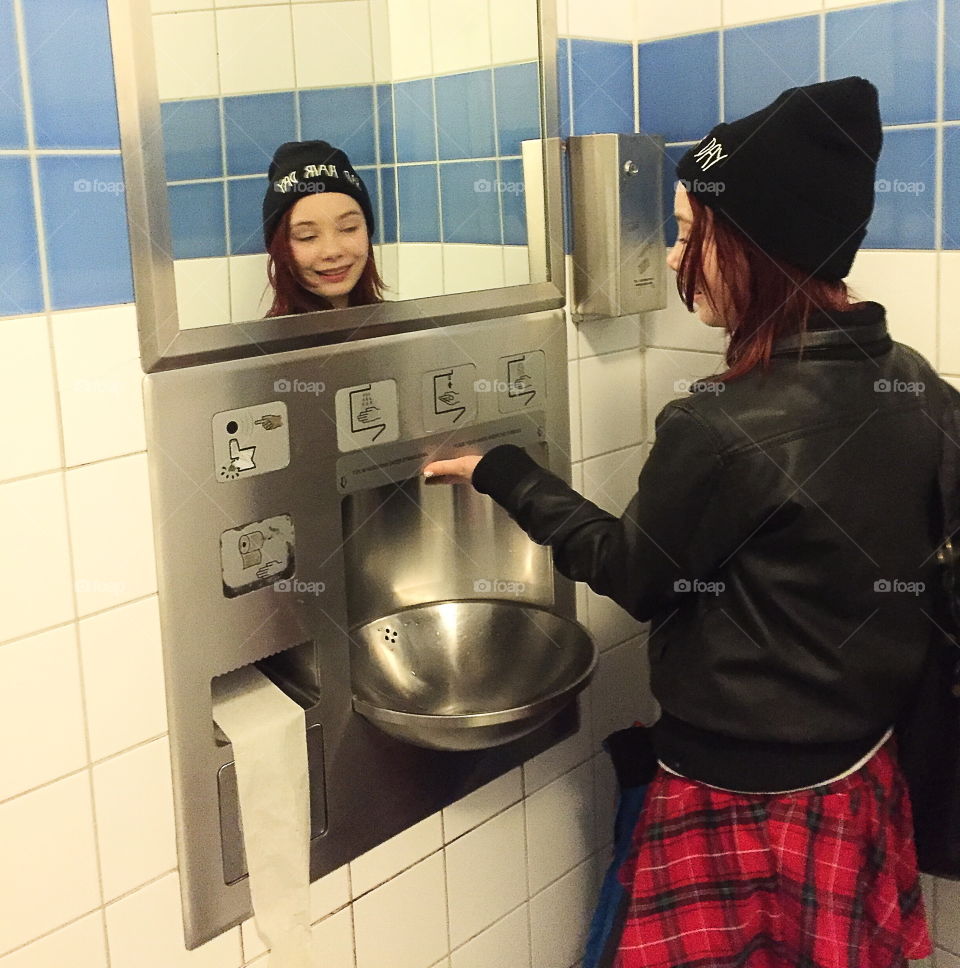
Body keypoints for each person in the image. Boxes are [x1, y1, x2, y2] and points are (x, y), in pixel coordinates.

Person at [422, 76, 958, 967]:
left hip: (735, 797)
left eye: (687, 230)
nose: (673, 257)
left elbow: (634, 574)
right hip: (860, 777)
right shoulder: (919, 386)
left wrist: (504, 472)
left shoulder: (721, 423)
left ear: (754, 244)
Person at [261, 139, 387, 315]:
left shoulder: (403, 330)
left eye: (348, 228)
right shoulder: (267, 342)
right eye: (308, 236)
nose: (332, 252)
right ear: (279, 247)